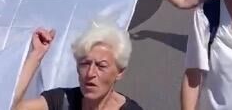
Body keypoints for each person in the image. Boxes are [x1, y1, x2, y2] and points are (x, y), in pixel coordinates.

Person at [11, 22, 144, 110]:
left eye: (101, 66)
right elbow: (13, 106)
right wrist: (36, 55)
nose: (90, 73)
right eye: (85, 63)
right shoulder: (62, 100)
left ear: (120, 72)